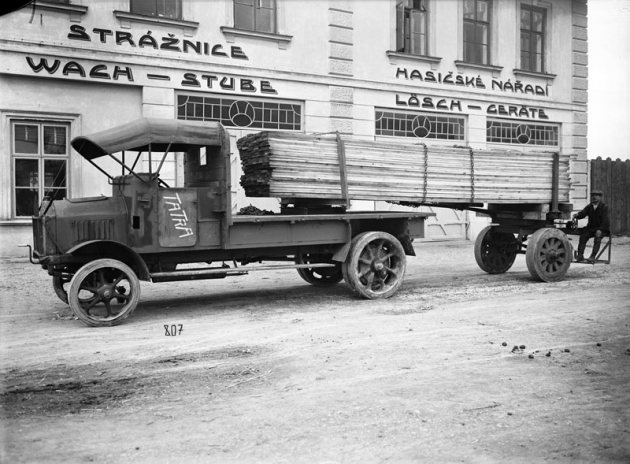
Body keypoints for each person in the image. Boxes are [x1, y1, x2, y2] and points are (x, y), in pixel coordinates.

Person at [573, 189, 610, 263]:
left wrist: (600, 230)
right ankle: (580, 256)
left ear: (600, 197)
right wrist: (577, 215)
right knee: (583, 236)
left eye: (596, 195)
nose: (594, 197)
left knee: (597, 238)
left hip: (602, 229)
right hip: (591, 228)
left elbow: (606, 221)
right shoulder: (590, 206)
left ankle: (593, 256)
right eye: (593, 195)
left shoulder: (604, 207)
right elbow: (583, 214)